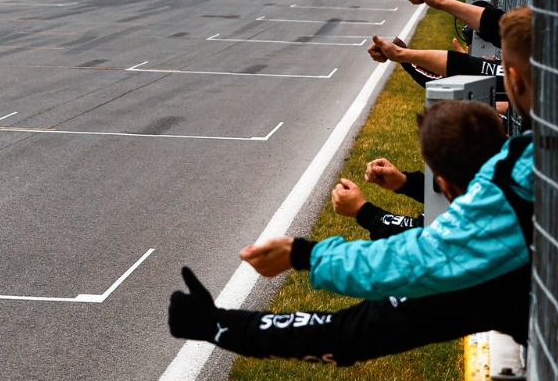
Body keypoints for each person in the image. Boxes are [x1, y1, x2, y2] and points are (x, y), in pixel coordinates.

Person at [168, 99, 530, 366]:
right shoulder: (530, 161)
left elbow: (342, 332)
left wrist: (217, 323)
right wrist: (400, 189)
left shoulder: (468, 267)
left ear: (444, 184)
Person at [237, 6, 533, 300]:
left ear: (514, 80)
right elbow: (468, 67)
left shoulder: (509, 194)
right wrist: (403, 183)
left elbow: (423, 252)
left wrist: (360, 215)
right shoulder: (521, 162)